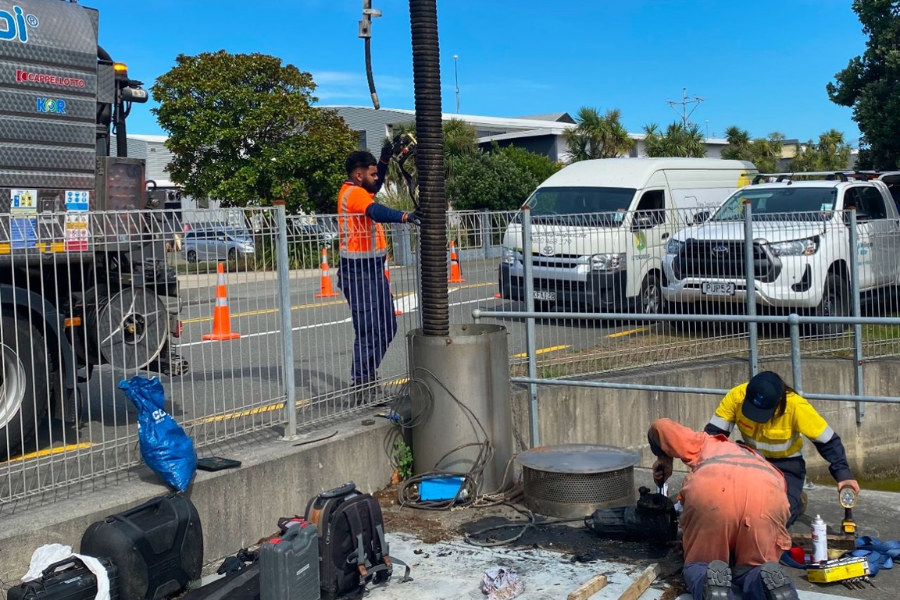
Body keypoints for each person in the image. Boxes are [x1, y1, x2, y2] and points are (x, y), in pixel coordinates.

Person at [650, 418, 798, 600]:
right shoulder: (768, 467)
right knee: (755, 567)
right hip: (768, 493)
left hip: (713, 490)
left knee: (700, 565)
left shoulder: (708, 443)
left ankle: (708, 582)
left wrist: (664, 459)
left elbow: (660, 427)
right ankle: (761, 579)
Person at [704, 371, 858, 526]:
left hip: (786, 466)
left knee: (778, 518)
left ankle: (797, 499)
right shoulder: (736, 396)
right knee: (726, 509)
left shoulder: (796, 406)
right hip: (749, 459)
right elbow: (713, 436)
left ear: (778, 402)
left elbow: (828, 441)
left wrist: (843, 475)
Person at [337, 150, 421, 404]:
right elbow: (376, 211)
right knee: (368, 330)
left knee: (387, 327)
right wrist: (405, 216)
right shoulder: (353, 194)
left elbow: (376, 186)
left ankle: (366, 377)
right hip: (357, 273)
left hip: (372, 271)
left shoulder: (361, 189)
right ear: (359, 175)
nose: (378, 178)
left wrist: (384, 159)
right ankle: (362, 384)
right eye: (373, 174)